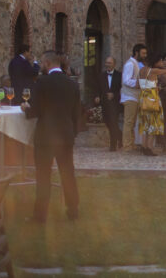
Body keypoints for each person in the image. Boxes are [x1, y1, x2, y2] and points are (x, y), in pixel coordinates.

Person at [23, 51, 82, 222]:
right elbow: (76, 113)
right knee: (68, 173)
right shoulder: (72, 84)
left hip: (46, 136)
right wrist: (72, 134)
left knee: (43, 175)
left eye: (41, 62)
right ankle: (73, 210)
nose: (40, 65)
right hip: (65, 134)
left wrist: (25, 108)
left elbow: (35, 110)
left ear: (48, 63)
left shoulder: (42, 82)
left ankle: (40, 215)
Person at [137, 54, 166, 155]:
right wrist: (165, 65)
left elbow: (137, 85)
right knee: (152, 123)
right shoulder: (153, 71)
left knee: (144, 123)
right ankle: (149, 147)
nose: (161, 63)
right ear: (155, 62)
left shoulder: (141, 70)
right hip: (152, 99)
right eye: (160, 61)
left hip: (143, 98)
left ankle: (143, 146)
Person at [121, 43, 147, 152]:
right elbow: (126, 80)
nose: (145, 55)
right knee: (129, 122)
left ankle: (131, 143)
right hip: (129, 97)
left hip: (135, 96)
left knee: (132, 122)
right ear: (137, 52)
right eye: (143, 53)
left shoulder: (136, 63)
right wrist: (137, 83)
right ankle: (127, 146)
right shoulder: (130, 64)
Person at [95, 57, 122, 151]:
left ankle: (113, 145)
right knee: (107, 122)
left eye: (110, 63)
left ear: (114, 64)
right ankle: (120, 135)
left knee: (113, 122)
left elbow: (122, 90)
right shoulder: (101, 75)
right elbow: (98, 88)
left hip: (115, 103)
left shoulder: (120, 75)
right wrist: (97, 96)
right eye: (106, 63)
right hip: (105, 103)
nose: (107, 64)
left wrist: (114, 94)